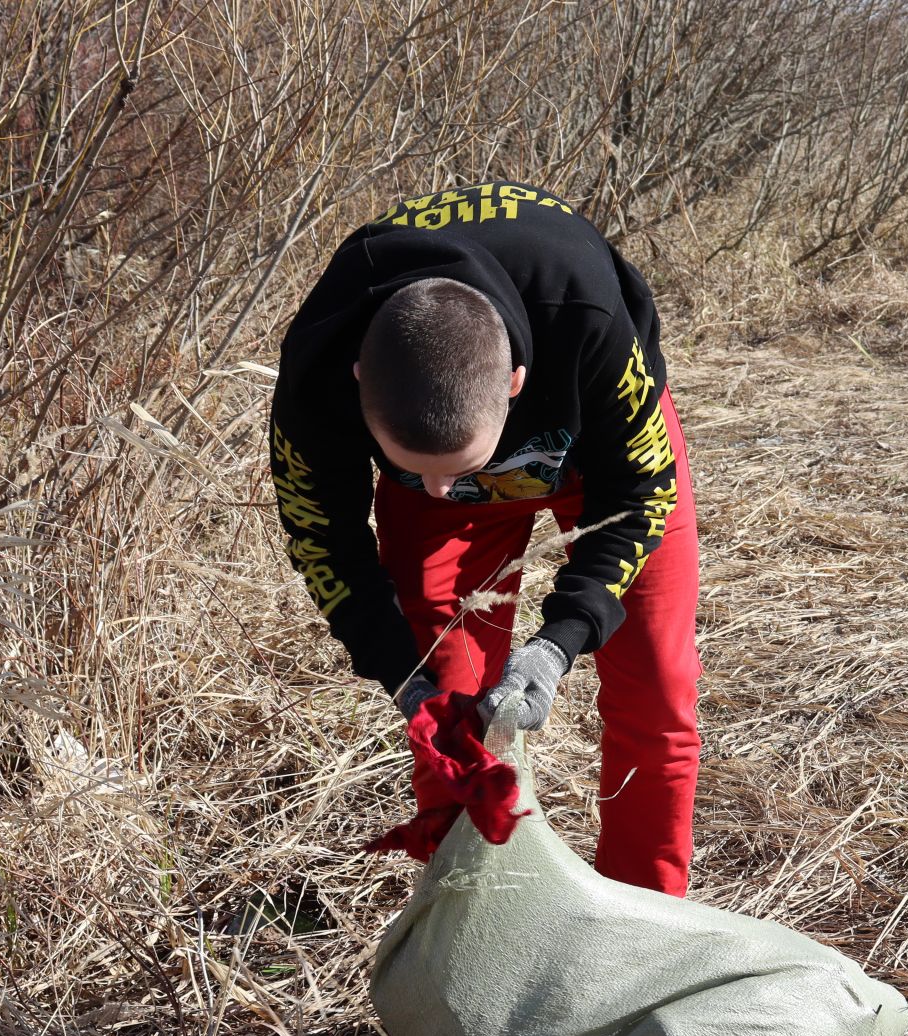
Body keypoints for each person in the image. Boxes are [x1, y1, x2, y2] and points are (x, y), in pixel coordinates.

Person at [269, 180, 700, 897]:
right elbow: (325, 542)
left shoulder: (584, 315)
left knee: (656, 686)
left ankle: (645, 915)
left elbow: (640, 493)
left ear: (515, 385)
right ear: (357, 384)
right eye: (416, 472)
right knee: (449, 709)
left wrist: (559, 640)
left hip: (596, 463)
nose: (442, 490)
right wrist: (399, 673)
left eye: (459, 471)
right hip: (457, 497)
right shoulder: (316, 377)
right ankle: (475, 915)